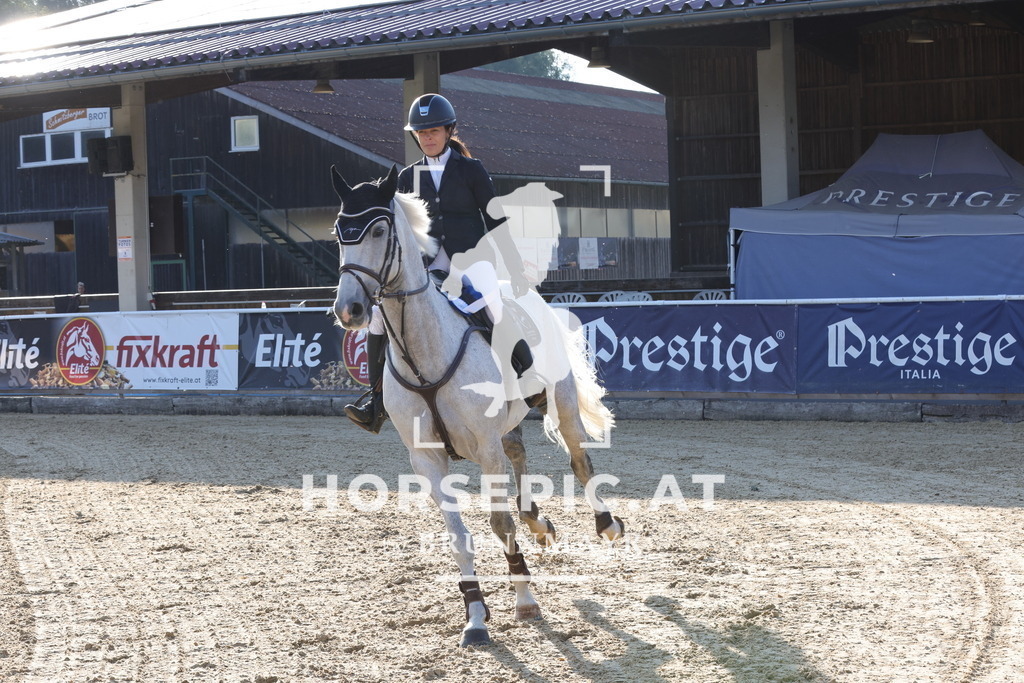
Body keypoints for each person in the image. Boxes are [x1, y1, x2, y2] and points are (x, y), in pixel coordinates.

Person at [343, 93, 527, 433]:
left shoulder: (471, 170)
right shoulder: (407, 177)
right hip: (425, 265)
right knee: (380, 321)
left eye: (434, 131)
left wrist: (514, 267)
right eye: (422, 133)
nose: (427, 137)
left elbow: (496, 220)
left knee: (495, 306)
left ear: (448, 131)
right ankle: (375, 399)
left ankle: (528, 378)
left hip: (471, 260)